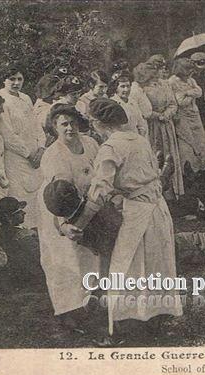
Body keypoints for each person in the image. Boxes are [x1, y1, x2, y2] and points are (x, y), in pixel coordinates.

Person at [82, 98, 182, 332]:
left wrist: (82, 220)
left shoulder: (110, 148)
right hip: (157, 207)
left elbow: (100, 189)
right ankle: (156, 316)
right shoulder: (139, 140)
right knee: (157, 264)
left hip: (137, 212)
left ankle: (128, 324)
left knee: (126, 267)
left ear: (98, 123)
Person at [37, 104, 101, 330]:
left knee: (89, 257)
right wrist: (62, 224)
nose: (70, 128)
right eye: (64, 124)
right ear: (54, 127)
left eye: (73, 122)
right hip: (57, 208)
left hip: (86, 205)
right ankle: (67, 311)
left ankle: (88, 302)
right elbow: (58, 194)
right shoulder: (54, 155)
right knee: (63, 260)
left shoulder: (90, 143)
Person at [0, 64, 47, 228]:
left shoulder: (25, 98)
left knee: (37, 195)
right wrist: (28, 154)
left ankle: (37, 233)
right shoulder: (1, 100)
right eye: (12, 79)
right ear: (4, 80)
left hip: (36, 157)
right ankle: (22, 233)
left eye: (20, 79)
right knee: (20, 196)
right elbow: (8, 135)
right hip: (16, 159)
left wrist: (41, 148)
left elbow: (36, 125)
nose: (16, 82)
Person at [140, 61, 184, 200]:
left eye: (158, 70)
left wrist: (167, 114)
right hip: (152, 126)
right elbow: (143, 110)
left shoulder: (165, 84)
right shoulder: (142, 88)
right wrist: (157, 116)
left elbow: (173, 103)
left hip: (166, 125)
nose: (157, 73)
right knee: (156, 154)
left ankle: (172, 192)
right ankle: (156, 193)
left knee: (169, 155)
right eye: (154, 71)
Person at [168, 58, 205, 173]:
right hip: (182, 116)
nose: (190, 74)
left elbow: (199, 92)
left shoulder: (191, 80)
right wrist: (192, 94)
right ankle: (189, 170)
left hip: (194, 114)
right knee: (187, 142)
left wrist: (187, 93)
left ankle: (202, 169)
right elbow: (180, 102)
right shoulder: (173, 81)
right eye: (188, 71)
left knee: (200, 140)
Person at [0, 196, 44, 286]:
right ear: (8, 217)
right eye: (19, 212)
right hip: (33, 277)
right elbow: (39, 256)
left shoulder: (4, 232)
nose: (24, 213)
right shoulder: (22, 237)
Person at [108, 69, 149, 139]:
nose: (126, 90)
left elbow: (141, 124)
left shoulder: (133, 102)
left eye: (128, 86)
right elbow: (110, 129)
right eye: (122, 86)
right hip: (120, 140)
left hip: (136, 139)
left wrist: (140, 138)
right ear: (116, 88)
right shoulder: (111, 103)